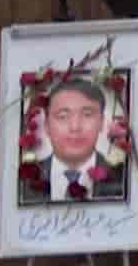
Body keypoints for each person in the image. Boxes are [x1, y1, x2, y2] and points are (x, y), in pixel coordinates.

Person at [19, 75, 127, 204]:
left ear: (101, 122)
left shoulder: (122, 177)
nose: (75, 127)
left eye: (87, 115)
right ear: (47, 125)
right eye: (63, 116)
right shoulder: (25, 180)